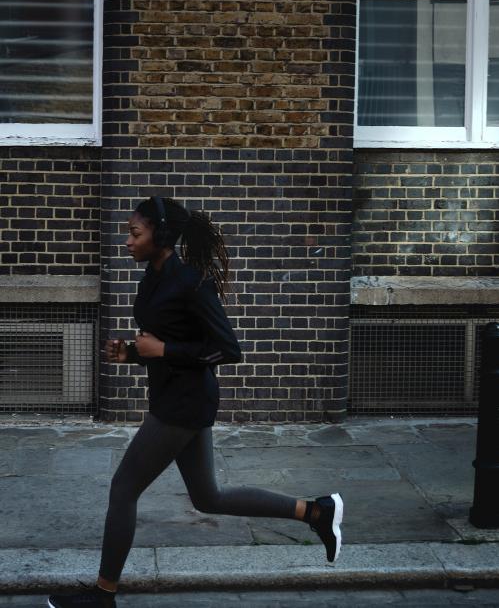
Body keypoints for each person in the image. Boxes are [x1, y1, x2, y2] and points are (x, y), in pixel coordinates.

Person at [48, 197, 343, 608]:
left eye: (135, 233)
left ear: (161, 236)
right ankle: (316, 512)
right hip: (174, 396)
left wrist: (164, 350)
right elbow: (161, 340)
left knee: (123, 489)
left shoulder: (191, 281)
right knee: (208, 497)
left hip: (184, 404)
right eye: (128, 233)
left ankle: (103, 595)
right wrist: (132, 353)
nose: (127, 241)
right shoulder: (151, 278)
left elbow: (227, 349)